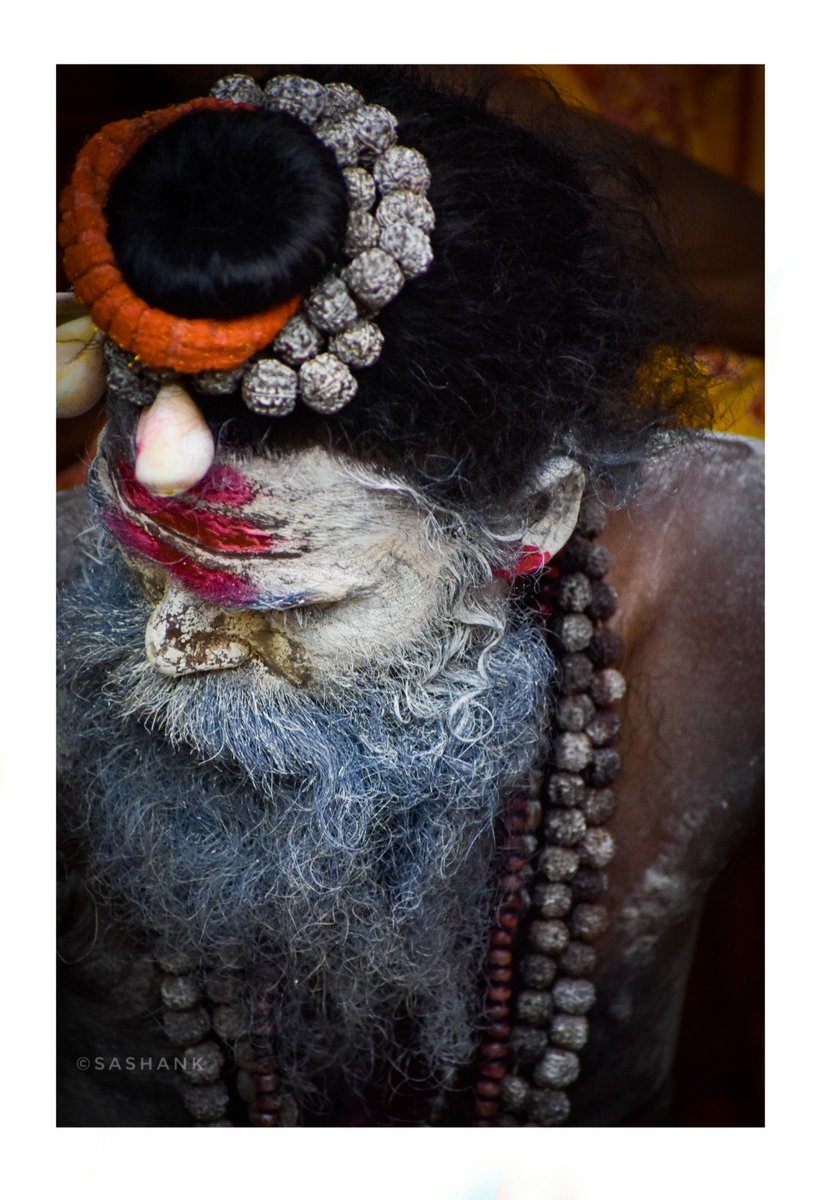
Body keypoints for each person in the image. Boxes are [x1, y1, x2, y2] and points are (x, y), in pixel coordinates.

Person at [56, 66, 763, 1127]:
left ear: (530, 523)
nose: (170, 644)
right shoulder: (48, 582)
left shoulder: (731, 567)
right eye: (148, 568)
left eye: (288, 610)